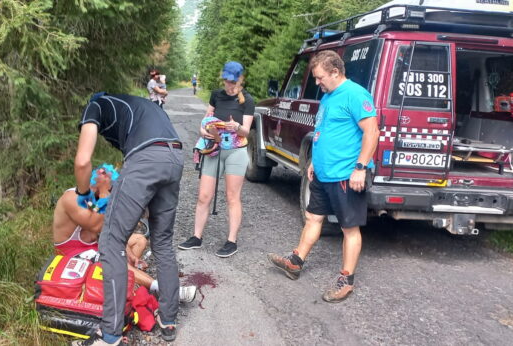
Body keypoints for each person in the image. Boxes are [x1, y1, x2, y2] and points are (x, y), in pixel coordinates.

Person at [266, 50, 379, 303]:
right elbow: (324, 131)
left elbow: (372, 132)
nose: (317, 83)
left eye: (319, 78)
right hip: (324, 173)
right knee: (313, 217)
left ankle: (346, 280)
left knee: (349, 228)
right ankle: (295, 262)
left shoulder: (355, 95)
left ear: (335, 72)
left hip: (346, 175)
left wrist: (360, 168)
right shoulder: (328, 97)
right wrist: (314, 162)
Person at [72, 93, 184, 345]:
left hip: (146, 157)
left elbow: (82, 161)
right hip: (175, 156)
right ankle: (168, 320)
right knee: (163, 241)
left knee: (111, 243)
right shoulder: (141, 107)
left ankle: (109, 334)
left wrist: (83, 196)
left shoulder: (97, 104)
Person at [52, 164, 196, 303]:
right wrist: (105, 193)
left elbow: (110, 234)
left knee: (139, 240)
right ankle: (164, 290)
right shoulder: (72, 199)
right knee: (115, 259)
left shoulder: (95, 198)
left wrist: (131, 255)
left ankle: (130, 276)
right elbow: (98, 226)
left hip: (94, 248)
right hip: (72, 254)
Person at [178, 61, 255, 258]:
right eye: (225, 80)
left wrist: (235, 126)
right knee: (204, 195)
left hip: (236, 151)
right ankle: (196, 236)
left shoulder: (247, 100)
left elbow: (247, 130)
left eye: (231, 81)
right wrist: (205, 132)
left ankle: (231, 241)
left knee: (232, 196)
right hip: (214, 148)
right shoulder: (216, 95)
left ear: (239, 79)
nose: (227, 84)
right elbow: (205, 122)